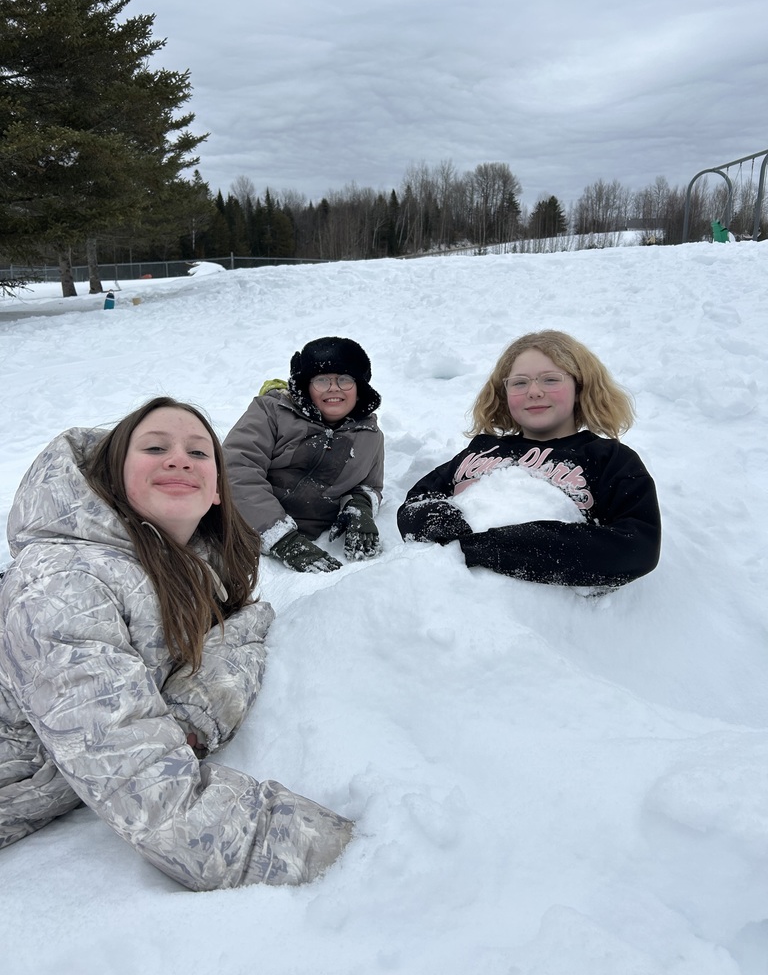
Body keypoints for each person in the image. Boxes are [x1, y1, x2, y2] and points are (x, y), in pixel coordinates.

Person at [0, 397, 352, 891]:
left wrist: (185, 717)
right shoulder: (63, 588)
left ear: (215, 491)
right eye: (155, 447)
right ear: (111, 477)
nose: (180, 459)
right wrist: (350, 861)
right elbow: (150, 791)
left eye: (199, 452)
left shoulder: (192, 566)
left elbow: (241, 628)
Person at [397, 331, 661, 589]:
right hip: (439, 605)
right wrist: (439, 522)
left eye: (550, 380)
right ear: (504, 393)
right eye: (520, 382)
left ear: (580, 387)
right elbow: (415, 502)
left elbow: (637, 547)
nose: (534, 392)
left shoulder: (609, 458)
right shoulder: (482, 449)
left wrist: (496, 546)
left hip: (528, 619)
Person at [224, 336, 384, 573]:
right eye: (321, 380)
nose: (334, 388)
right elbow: (235, 468)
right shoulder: (272, 411)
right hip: (237, 530)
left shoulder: (370, 436)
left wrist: (359, 506)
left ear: (359, 388)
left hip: (314, 543)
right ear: (307, 386)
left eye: (345, 379)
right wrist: (279, 536)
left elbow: (369, 486)